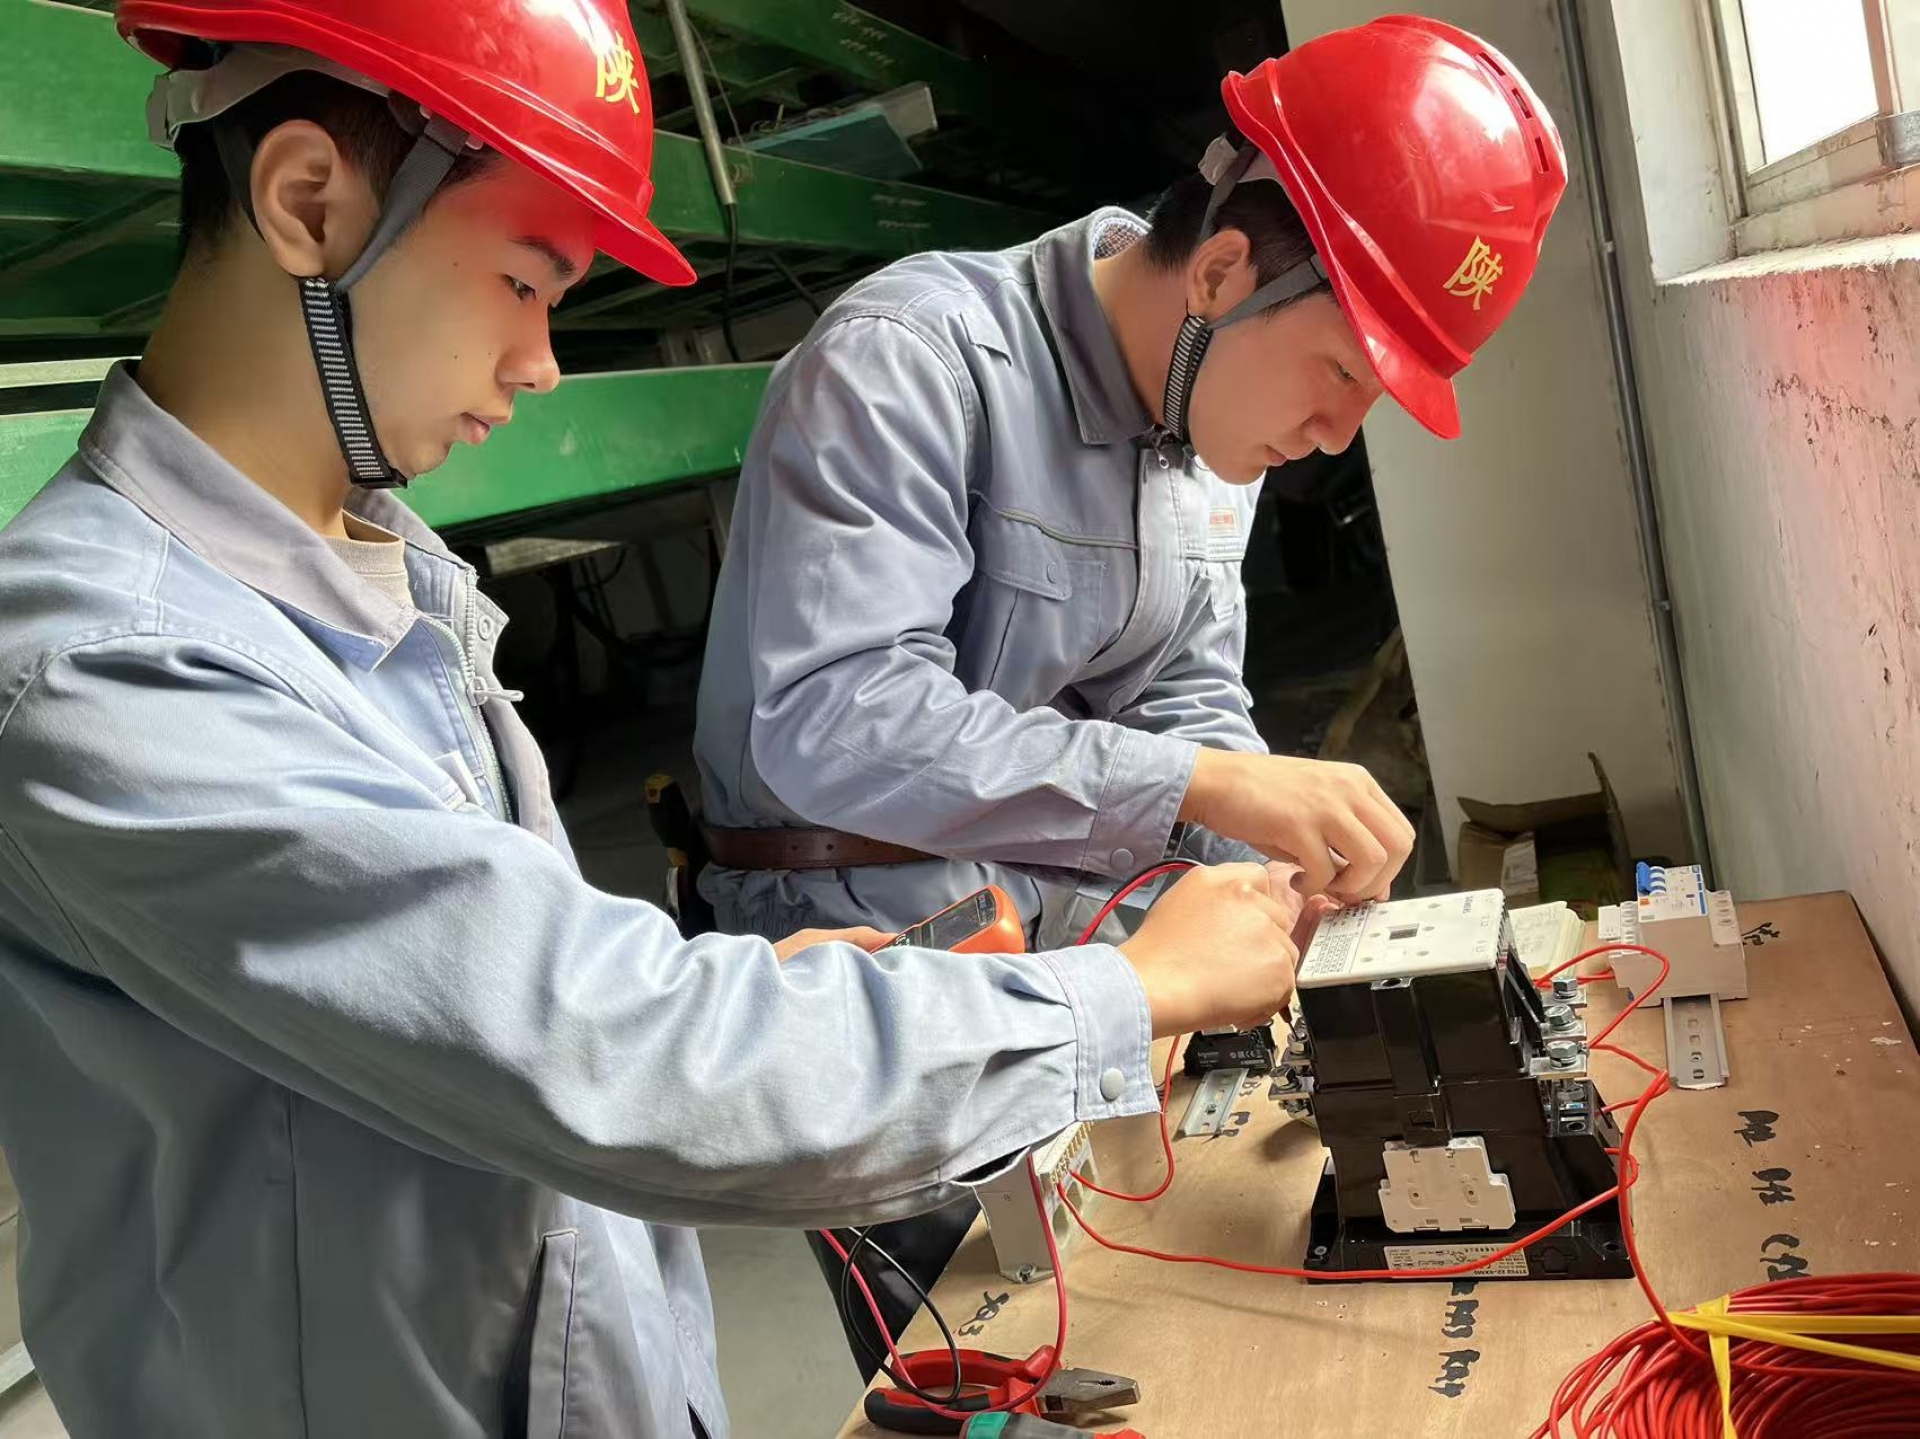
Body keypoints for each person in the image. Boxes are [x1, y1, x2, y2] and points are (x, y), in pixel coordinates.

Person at [0, 3, 1305, 1436]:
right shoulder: (113, 672)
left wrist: (789, 992)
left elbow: (484, 994)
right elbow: (597, 1053)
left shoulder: (384, 579)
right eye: (523, 280)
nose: (541, 363)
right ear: (310, 202)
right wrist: (1121, 996)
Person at [693, 14, 1569, 1374]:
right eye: (1342, 374)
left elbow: (1187, 694)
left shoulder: (1211, 427)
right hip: (871, 957)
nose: (1338, 434)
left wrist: (1273, 854)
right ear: (1221, 270)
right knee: (985, 1360)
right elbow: (830, 720)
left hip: (1077, 939)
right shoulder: (913, 363)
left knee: (1151, 1324)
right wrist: (1203, 785)